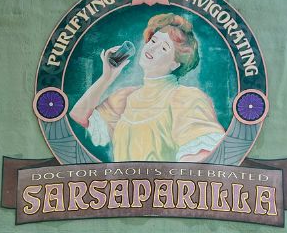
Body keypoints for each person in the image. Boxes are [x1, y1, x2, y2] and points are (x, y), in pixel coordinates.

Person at [69, 13, 225, 162]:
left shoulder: (186, 98)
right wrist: (106, 77)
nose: (152, 48)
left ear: (175, 63)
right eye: (153, 41)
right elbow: (79, 116)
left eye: (164, 48)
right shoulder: (125, 97)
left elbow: (201, 160)